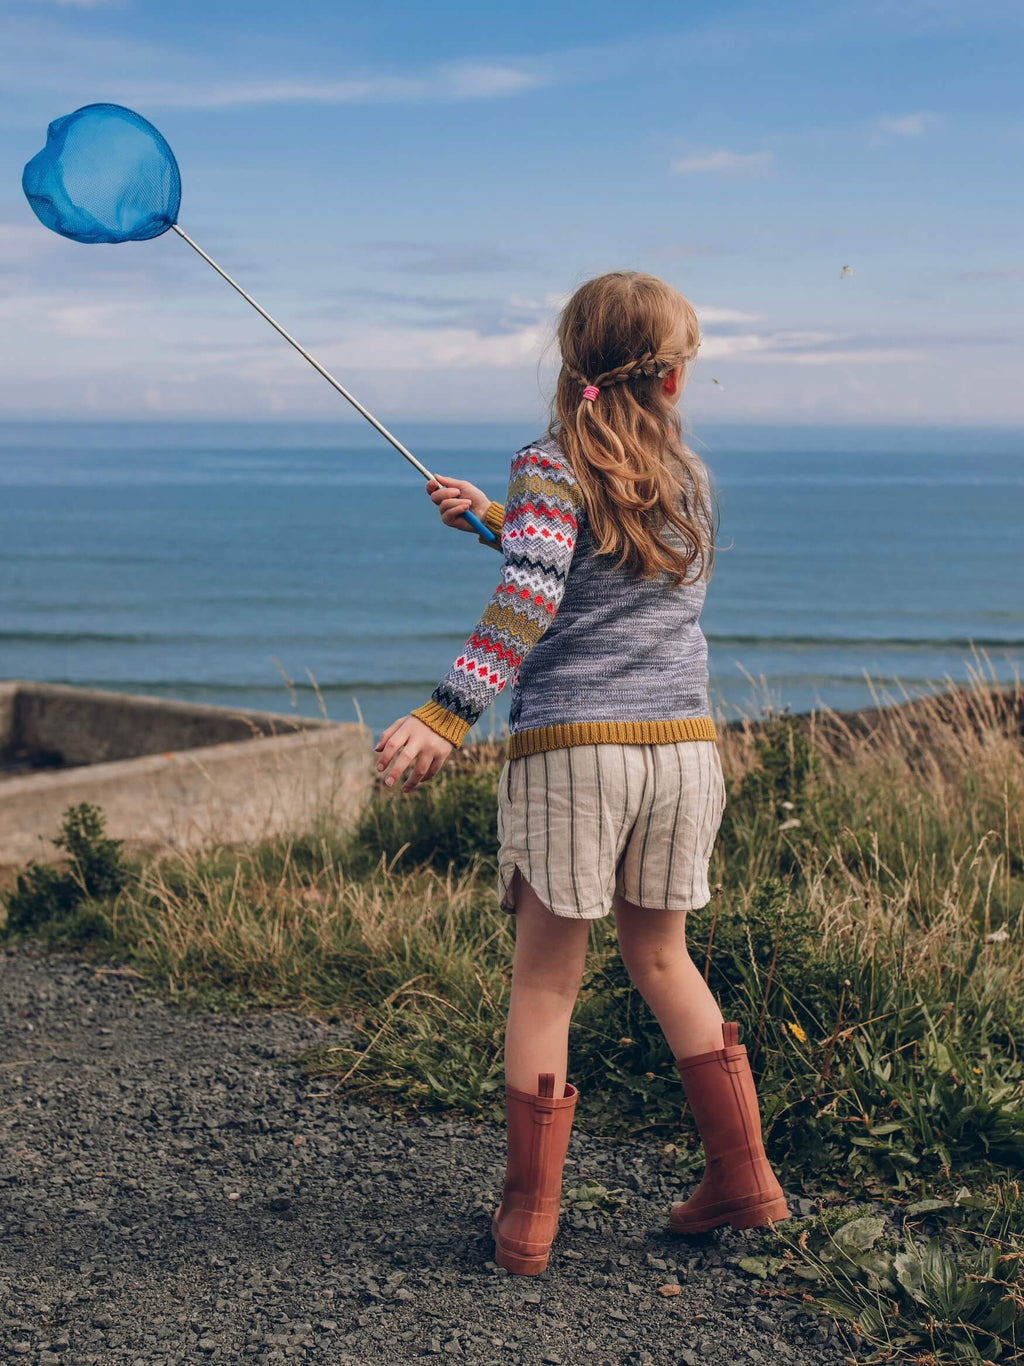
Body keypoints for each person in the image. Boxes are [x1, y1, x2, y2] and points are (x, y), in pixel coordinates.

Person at [375, 271, 788, 1276]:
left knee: (546, 984)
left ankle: (528, 1221)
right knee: (663, 961)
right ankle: (744, 1180)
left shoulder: (547, 464)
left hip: (577, 754)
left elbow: (533, 597)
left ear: (572, 367)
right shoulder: (684, 474)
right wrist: (491, 518)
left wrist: (446, 714)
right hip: (684, 750)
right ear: (674, 380)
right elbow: (587, 574)